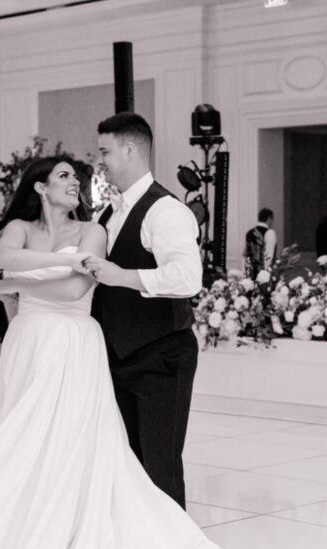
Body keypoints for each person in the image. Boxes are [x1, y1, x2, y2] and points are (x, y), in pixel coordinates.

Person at [0, 156, 226, 549]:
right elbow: (4, 256)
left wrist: (20, 281)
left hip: (75, 344)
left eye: (76, 178)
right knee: (21, 446)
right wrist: (50, 265)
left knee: (73, 448)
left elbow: (75, 291)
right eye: (63, 176)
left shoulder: (91, 230)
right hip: (27, 346)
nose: (74, 182)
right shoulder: (18, 226)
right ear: (39, 187)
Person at [82, 112, 203, 511]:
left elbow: (188, 277)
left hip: (161, 355)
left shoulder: (165, 211)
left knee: (160, 464)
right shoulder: (106, 213)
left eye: (105, 151)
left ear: (130, 150)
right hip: (116, 356)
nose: (100, 161)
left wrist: (122, 276)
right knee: (128, 464)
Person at [245, 208, 278, 275]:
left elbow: (245, 254)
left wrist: (246, 272)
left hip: (250, 272)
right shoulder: (270, 233)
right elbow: (269, 256)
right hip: (263, 274)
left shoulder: (249, 233)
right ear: (269, 219)